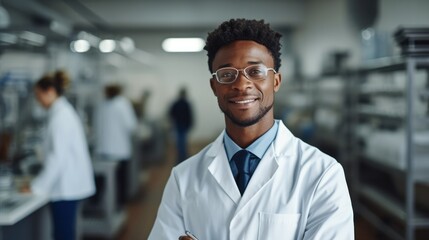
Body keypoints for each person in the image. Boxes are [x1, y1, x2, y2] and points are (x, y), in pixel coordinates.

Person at [148, 19, 354, 240]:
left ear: (276, 81)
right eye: (227, 74)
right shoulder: (184, 178)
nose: (241, 84)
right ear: (214, 86)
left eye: (255, 71)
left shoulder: (322, 174)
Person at [23, 70, 96, 240]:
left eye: (38, 94)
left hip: (66, 187)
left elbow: (57, 158)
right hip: (66, 185)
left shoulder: (61, 116)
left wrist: (36, 187)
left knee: (63, 234)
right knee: (64, 232)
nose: (37, 100)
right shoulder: (60, 113)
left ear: (49, 91)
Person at [93, 83, 137, 206]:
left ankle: (104, 205)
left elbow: (96, 126)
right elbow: (131, 126)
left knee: (104, 183)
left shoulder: (101, 105)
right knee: (119, 181)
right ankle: (119, 206)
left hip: (103, 150)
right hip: (119, 151)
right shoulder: (123, 104)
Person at [168, 87, 194, 163]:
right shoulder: (186, 103)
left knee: (180, 141)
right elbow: (190, 115)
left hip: (178, 125)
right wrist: (190, 124)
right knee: (183, 141)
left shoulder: (176, 103)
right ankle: (183, 157)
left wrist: (173, 122)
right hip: (183, 125)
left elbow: (171, 113)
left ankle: (181, 157)